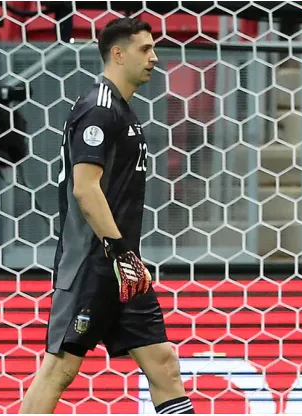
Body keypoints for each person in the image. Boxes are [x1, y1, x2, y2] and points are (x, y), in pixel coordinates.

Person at [20, 18, 194, 414]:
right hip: (94, 264)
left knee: (163, 362)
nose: (154, 57)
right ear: (118, 54)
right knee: (59, 371)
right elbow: (85, 188)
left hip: (123, 267)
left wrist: (125, 258)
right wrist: (118, 252)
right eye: (145, 49)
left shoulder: (122, 110)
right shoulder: (98, 109)